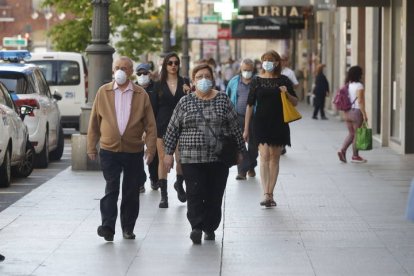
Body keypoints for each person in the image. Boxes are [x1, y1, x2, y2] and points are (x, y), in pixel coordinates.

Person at [163, 64, 245, 244]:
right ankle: (197, 227)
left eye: (206, 76)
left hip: (218, 159)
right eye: (199, 76)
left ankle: (210, 226)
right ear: (193, 81)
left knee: (214, 195)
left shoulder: (222, 99)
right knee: (194, 193)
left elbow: (234, 127)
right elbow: (172, 129)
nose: (203, 79)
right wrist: (168, 154)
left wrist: (240, 151)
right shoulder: (185, 102)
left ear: (213, 79)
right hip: (191, 159)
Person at [87, 56, 157, 241]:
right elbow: (94, 120)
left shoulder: (141, 94)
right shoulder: (103, 92)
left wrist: (151, 150)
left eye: (125, 68)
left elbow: (150, 125)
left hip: (133, 150)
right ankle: (108, 227)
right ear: (112, 70)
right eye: (117, 67)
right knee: (112, 188)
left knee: (131, 191)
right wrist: (91, 146)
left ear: (131, 71)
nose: (120, 71)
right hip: (109, 149)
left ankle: (128, 227)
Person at [243, 50, 298, 207]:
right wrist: (246, 128)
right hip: (260, 122)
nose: (267, 62)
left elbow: (295, 102)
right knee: (264, 155)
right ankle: (265, 192)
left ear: (277, 63)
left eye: (271, 60)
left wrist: (287, 94)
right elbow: (249, 105)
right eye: (265, 60)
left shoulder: (284, 80)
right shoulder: (257, 81)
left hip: (279, 122)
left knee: (275, 157)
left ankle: (270, 193)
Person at [154, 52, 191, 208]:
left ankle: (179, 183)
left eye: (176, 63)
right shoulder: (157, 85)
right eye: (170, 63)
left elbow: (191, 103)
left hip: (181, 125)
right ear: (165, 65)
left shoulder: (185, 82)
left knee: (180, 158)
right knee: (163, 160)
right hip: (162, 125)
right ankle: (164, 196)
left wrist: (189, 91)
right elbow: (153, 109)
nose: (173, 65)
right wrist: (149, 130)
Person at [226, 58, 258, 180]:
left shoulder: (257, 81)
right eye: (245, 70)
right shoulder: (234, 81)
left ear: (253, 69)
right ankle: (242, 171)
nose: (247, 72)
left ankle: (251, 166)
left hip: (254, 118)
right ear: (240, 69)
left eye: (249, 70)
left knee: (254, 145)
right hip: (238, 116)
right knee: (240, 145)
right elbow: (228, 97)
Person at [136, 63, 159, 192]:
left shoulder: (156, 88)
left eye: (145, 73)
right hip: (136, 127)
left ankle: (154, 179)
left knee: (153, 155)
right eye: (139, 74)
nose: (142, 76)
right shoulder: (132, 88)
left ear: (149, 74)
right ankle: (140, 182)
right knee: (136, 155)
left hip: (152, 126)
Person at [337, 65, 368, 163]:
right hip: (356, 112)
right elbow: (361, 101)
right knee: (357, 135)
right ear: (359, 74)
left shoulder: (348, 84)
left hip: (347, 112)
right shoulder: (359, 86)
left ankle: (342, 150)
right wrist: (364, 114)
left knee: (351, 134)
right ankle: (355, 156)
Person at [280, 54, 299, 155]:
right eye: (281, 60)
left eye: (284, 60)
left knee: (284, 122)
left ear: (287, 61)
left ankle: (283, 145)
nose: (282, 62)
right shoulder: (275, 71)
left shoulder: (289, 72)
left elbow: (296, 84)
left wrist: (288, 87)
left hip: (286, 100)